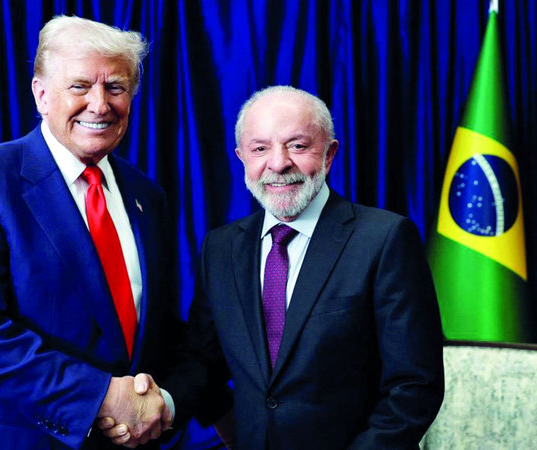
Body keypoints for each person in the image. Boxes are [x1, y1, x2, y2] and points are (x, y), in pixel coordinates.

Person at [132, 86, 445, 448]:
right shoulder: (221, 249)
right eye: (260, 149)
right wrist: (162, 405)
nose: (278, 163)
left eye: (297, 146)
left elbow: (414, 386)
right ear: (242, 158)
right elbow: (202, 363)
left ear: (329, 154)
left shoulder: (385, 239)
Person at [0, 15, 179, 448]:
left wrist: (163, 403)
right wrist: (101, 396)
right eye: (79, 86)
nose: (99, 104)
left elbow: (158, 332)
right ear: (41, 94)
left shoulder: (147, 197)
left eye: (116, 88)